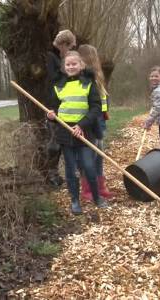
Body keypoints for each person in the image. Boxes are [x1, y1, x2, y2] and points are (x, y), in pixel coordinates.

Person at [47, 50, 108, 215]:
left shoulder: (89, 83)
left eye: (74, 64)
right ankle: (74, 200)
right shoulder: (59, 85)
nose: (71, 66)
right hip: (66, 132)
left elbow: (96, 108)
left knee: (88, 166)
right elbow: (54, 108)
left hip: (85, 131)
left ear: (81, 65)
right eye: (68, 64)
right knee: (71, 169)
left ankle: (97, 197)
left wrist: (81, 125)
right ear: (63, 67)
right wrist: (51, 115)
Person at [78, 44, 113, 201]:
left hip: (100, 121)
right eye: (93, 56)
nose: (96, 60)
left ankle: (100, 186)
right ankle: (87, 189)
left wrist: (104, 115)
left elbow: (102, 101)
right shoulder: (83, 78)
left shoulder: (98, 77)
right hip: (90, 122)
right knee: (90, 156)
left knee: (99, 155)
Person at [46, 30, 77, 187]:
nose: (71, 48)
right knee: (54, 142)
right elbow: (54, 78)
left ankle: (71, 173)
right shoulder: (52, 57)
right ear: (63, 44)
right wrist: (66, 71)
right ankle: (52, 174)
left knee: (68, 140)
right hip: (54, 105)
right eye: (70, 45)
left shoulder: (63, 58)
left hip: (67, 105)